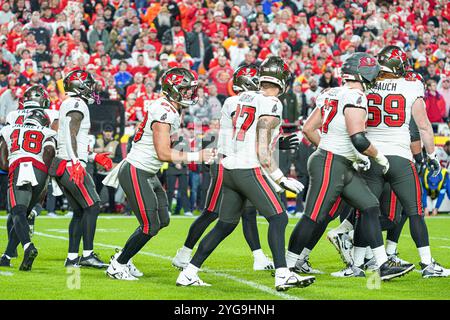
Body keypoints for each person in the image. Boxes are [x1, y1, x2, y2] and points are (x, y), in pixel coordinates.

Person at [176, 56, 315, 291]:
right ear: (282, 81)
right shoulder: (272, 103)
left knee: (225, 224)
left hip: (228, 167)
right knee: (279, 217)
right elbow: (261, 149)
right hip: (246, 167)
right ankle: (283, 274)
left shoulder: (238, 99)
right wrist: (281, 178)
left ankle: (189, 271)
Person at [286, 52, 415, 281]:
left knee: (370, 206)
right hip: (331, 162)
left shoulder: (332, 93)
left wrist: (334, 149)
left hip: (339, 161)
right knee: (313, 216)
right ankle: (287, 266)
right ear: (365, 73)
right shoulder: (356, 96)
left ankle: (382, 264)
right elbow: (359, 139)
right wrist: (379, 158)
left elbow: (308, 129)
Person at [104, 67, 214, 280]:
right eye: (184, 89)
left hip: (148, 172)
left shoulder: (169, 108)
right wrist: (196, 155)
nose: (189, 94)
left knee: (162, 220)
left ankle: (124, 256)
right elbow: (163, 153)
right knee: (149, 225)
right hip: (137, 170)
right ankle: (118, 265)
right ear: (173, 90)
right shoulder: (164, 110)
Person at [358, 46, 448, 278]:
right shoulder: (411, 85)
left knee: (367, 212)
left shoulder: (366, 85)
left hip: (372, 156)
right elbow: (424, 125)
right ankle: (427, 264)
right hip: (399, 156)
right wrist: (430, 155)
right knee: (415, 212)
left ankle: (357, 264)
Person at [51, 69, 113, 268]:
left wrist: (93, 156)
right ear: (80, 86)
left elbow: (73, 138)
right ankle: (87, 255)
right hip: (71, 164)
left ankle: (71, 258)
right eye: (89, 84)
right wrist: (76, 161)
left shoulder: (71, 103)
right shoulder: (77, 104)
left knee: (79, 211)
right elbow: (70, 134)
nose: (92, 89)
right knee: (93, 206)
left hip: (65, 163)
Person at [0, 109, 56, 270]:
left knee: (17, 212)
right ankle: (7, 256)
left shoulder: (10, 128)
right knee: (22, 217)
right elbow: (50, 152)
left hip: (20, 165)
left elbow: (3, 161)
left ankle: (27, 247)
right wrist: (44, 178)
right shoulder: (49, 132)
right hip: (40, 171)